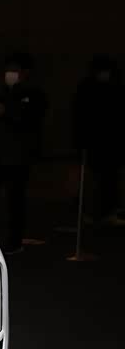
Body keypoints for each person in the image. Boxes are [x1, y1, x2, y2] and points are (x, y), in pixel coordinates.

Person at [0, 53, 45, 254]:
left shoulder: (34, 93)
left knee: (15, 201)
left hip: (18, 156)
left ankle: (14, 242)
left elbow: (32, 120)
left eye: (15, 70)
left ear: (25, 72)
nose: (10, 74)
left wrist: (6, 112)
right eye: (8, 70)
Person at [72, 55, 125, 225]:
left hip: (112, 142)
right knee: (91, 180)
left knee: (110, 179)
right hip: (92, 142)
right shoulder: (86, 88)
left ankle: (108, 212)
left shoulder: (116, 88)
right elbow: (80, 116)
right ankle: (87, 212)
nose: (104, 74)